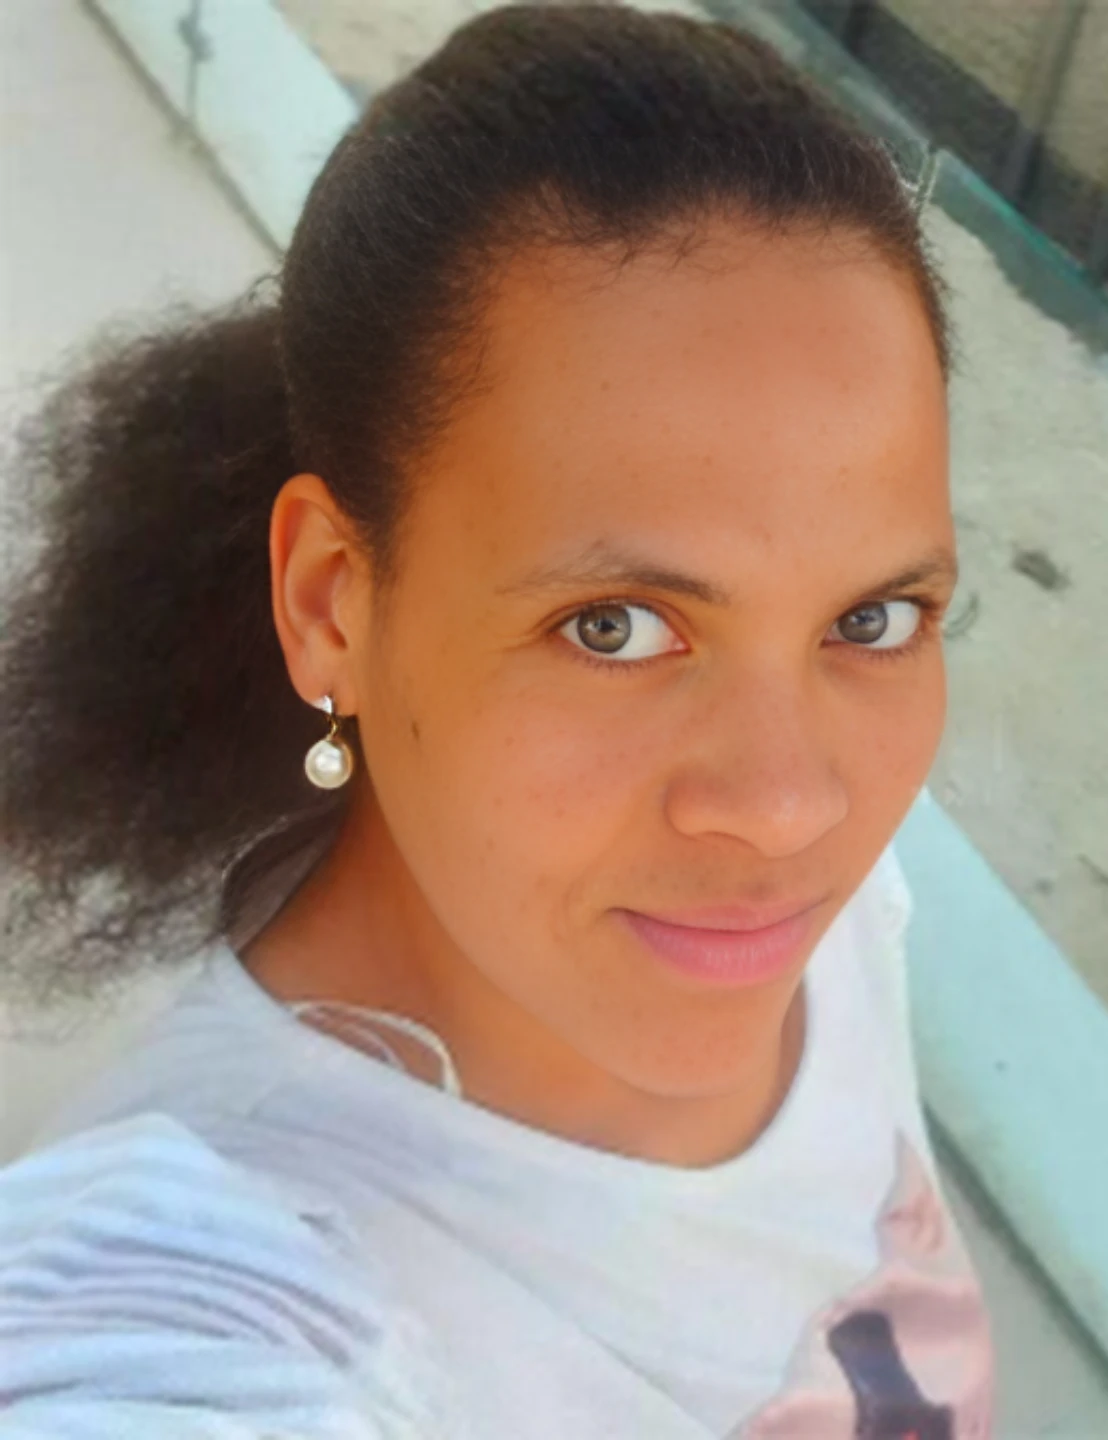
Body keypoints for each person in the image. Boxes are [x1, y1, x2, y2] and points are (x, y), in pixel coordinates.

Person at [0, 5, 993, 1435]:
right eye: (615, 628)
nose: (793, 809)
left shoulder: (821, 910)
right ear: (332, 605)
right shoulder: (211, 1301)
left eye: (873, 620)